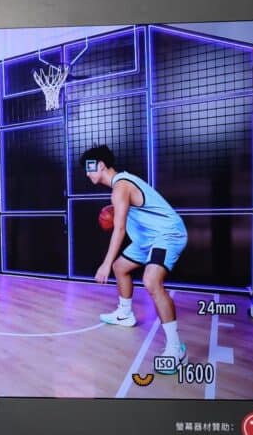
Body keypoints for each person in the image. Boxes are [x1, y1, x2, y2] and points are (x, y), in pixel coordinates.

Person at [80, 145, 188, 373]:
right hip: (147, 239)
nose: (87, 173)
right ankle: (125, 313)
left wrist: (104, 264)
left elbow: (119, 230)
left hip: (167, 234)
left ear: (101, 165)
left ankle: (175, 348)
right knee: (121, 267)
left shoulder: (121, 187)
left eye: (89, 168)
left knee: (151, 280)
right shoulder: (120, 186)